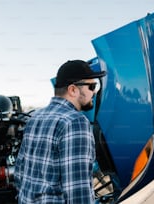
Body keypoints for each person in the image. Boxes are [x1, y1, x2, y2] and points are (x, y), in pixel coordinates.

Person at [14, 60, 106, 203]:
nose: (94, 92)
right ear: (73, 90)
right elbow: (78, 192)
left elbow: (19, 173)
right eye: (92, 86)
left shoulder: (35, 117)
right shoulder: (75, 122)